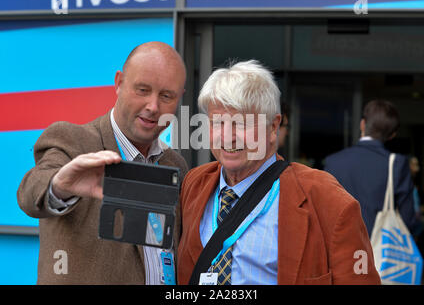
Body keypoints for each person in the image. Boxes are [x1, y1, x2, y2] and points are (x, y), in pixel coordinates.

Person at [177, 60, 380, 285]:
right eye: (218, 122)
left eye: (242, 123)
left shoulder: (326, 199)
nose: (227, 136)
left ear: (273, 127)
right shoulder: (194, 185)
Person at [17, 42, 188, 284]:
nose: (153, 106)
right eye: (142, 90)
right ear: (118, 83)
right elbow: (31, 192)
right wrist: (60, 186)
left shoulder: (176, 165)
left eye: (166, 96)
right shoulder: (73, 141)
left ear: (179, 98)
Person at [324, 99, 420, 237]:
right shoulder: (396, 163)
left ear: (362, 124)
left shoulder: (333, 162)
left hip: (341, 249)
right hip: (379, 252)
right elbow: (408, 219)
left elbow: (324, 212)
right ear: (393, 135)